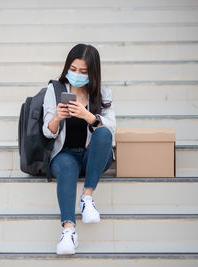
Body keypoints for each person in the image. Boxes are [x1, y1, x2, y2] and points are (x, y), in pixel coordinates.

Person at [42, 44, 116, 255]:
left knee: (102, 133)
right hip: (64, 155)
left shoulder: (102, 93)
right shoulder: (55, 90)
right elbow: (47, 132)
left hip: (92, 157)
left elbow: (111, 129)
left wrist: (88, 116)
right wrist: (57, 117)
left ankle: (87, 197)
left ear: (92, 73)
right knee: (66, 165)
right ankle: (69, 231)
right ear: (67, 67)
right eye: (73, 69)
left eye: (83, 72)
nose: (76, 75)